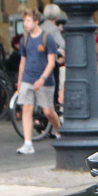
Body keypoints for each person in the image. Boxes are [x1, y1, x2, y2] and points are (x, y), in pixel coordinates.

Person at [15, 9, 60, 155]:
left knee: (48, 111)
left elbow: (51, 62)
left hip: (44, 80)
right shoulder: (24, 40)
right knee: (26, 108)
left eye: (28, 21)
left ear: (36, 21)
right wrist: (20, 81)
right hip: (28, 78)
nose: (25, 24)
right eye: (24, 21)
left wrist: (42, 79)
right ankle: (28, 143)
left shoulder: (47, 38)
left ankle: (59, 132)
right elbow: (22, 62)